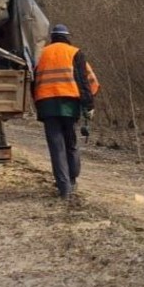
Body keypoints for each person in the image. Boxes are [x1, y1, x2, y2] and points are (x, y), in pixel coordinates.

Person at [33, 23, 96, 199]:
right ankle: (73, 179)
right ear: (67, 37)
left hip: (47, 106)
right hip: (70, 104)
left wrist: (37, 102)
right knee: (71, 144)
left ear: (52, 37)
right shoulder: (75, 52)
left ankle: (64, 188)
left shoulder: (40, 54)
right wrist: (89, 106)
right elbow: (83, 82)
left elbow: (33, 82)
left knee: (56, 147)